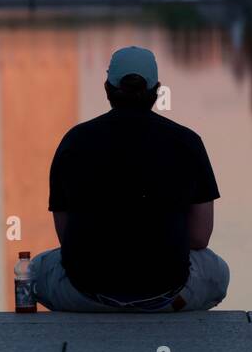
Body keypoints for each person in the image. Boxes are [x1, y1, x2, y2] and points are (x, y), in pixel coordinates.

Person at [31, 45, 229, 313]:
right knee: (217, 271)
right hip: (165, 292)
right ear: (157, 90)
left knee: (33, 271)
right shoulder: (187, 142)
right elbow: (199, 237)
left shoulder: (75, 141)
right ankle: (168, 305)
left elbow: (68, 237)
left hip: (86, 294)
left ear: (107, 89)